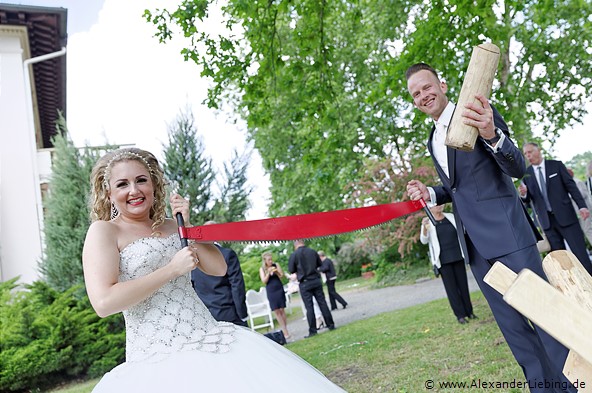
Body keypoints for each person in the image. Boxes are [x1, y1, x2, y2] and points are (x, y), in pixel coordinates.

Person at [82, 148, 345, 392]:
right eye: (122, 184)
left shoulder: (174, 226)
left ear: (154, 185)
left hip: (210, 337)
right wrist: (171, 270)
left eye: (141, 180)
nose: (134, 190)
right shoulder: (104, 231)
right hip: (155, 353)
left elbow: (218, 268)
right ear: (108, 193)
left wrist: (188, 226)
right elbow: (104, 302)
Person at [405, 63, 576, 392]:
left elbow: (517, 167)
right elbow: (458, 188)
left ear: (441, 84)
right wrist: (431, 192)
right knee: (515, 331)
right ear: (415, 102)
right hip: (474, 248)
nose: (423, 95)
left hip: (508, 236)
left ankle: (574, 385)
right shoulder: (433, 138)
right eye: (416, 94)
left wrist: (492, 135)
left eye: (427, 87)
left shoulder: (476, 111)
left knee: (543, 318)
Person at [518, 142, 592, 274]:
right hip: (548, 223)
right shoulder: (527, 174)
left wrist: (582, 206)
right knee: (560, 260)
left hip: (567, 218)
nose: (528, 155)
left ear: (538, 150)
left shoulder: (556, 165)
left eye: (530, 152)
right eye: (526, 154)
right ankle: (571, 289)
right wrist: (524, 195)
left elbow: (572, 187)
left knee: (580, 254)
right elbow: (529, 201)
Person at [419, 204, 474, 324]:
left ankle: (469, 312)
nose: (439, 206)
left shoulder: (451, 216)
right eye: (435, 204)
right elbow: (423, 241)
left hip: (458, 256)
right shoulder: (428, 221)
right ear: (430, 208)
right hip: (443, 261)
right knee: (452, 289)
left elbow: (462, 231)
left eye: (440, 203)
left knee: (463, 286)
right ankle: (460, 315)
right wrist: (424, 226)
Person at [191, 221, 248, 327]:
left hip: (207, 317)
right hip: (231, 314)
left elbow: (193, 288)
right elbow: (237, 286)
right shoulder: (227, 254)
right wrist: (242, 314)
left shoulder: (194, 260)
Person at [288, 239, 335, 338]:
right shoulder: (312, 251)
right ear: (303, 242)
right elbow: (320, 264)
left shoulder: (294, 255)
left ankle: (313, 330)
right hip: (316, 280)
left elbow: (291, 270)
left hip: (304, 282)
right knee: (322, 303)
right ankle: (330, 325)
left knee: (309, 307)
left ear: (295, 245)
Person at [259, 252, 290, 338]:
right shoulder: (262, 269)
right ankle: (285, 331)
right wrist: (268, 273)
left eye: (271, 259)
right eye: (269, 260)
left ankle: (285, 328)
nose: (270, 261)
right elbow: (264, 281)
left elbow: (281, 276)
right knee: (276, 310)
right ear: (265, 261)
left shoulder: (276, 265)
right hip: (271, 291)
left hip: (279, 288)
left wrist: (276, 272)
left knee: (282, 309)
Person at [566, 168, 592, 247]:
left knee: (588, 230)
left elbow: (582, 194)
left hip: (584, 211)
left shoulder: (577, 182)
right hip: (578, 213)